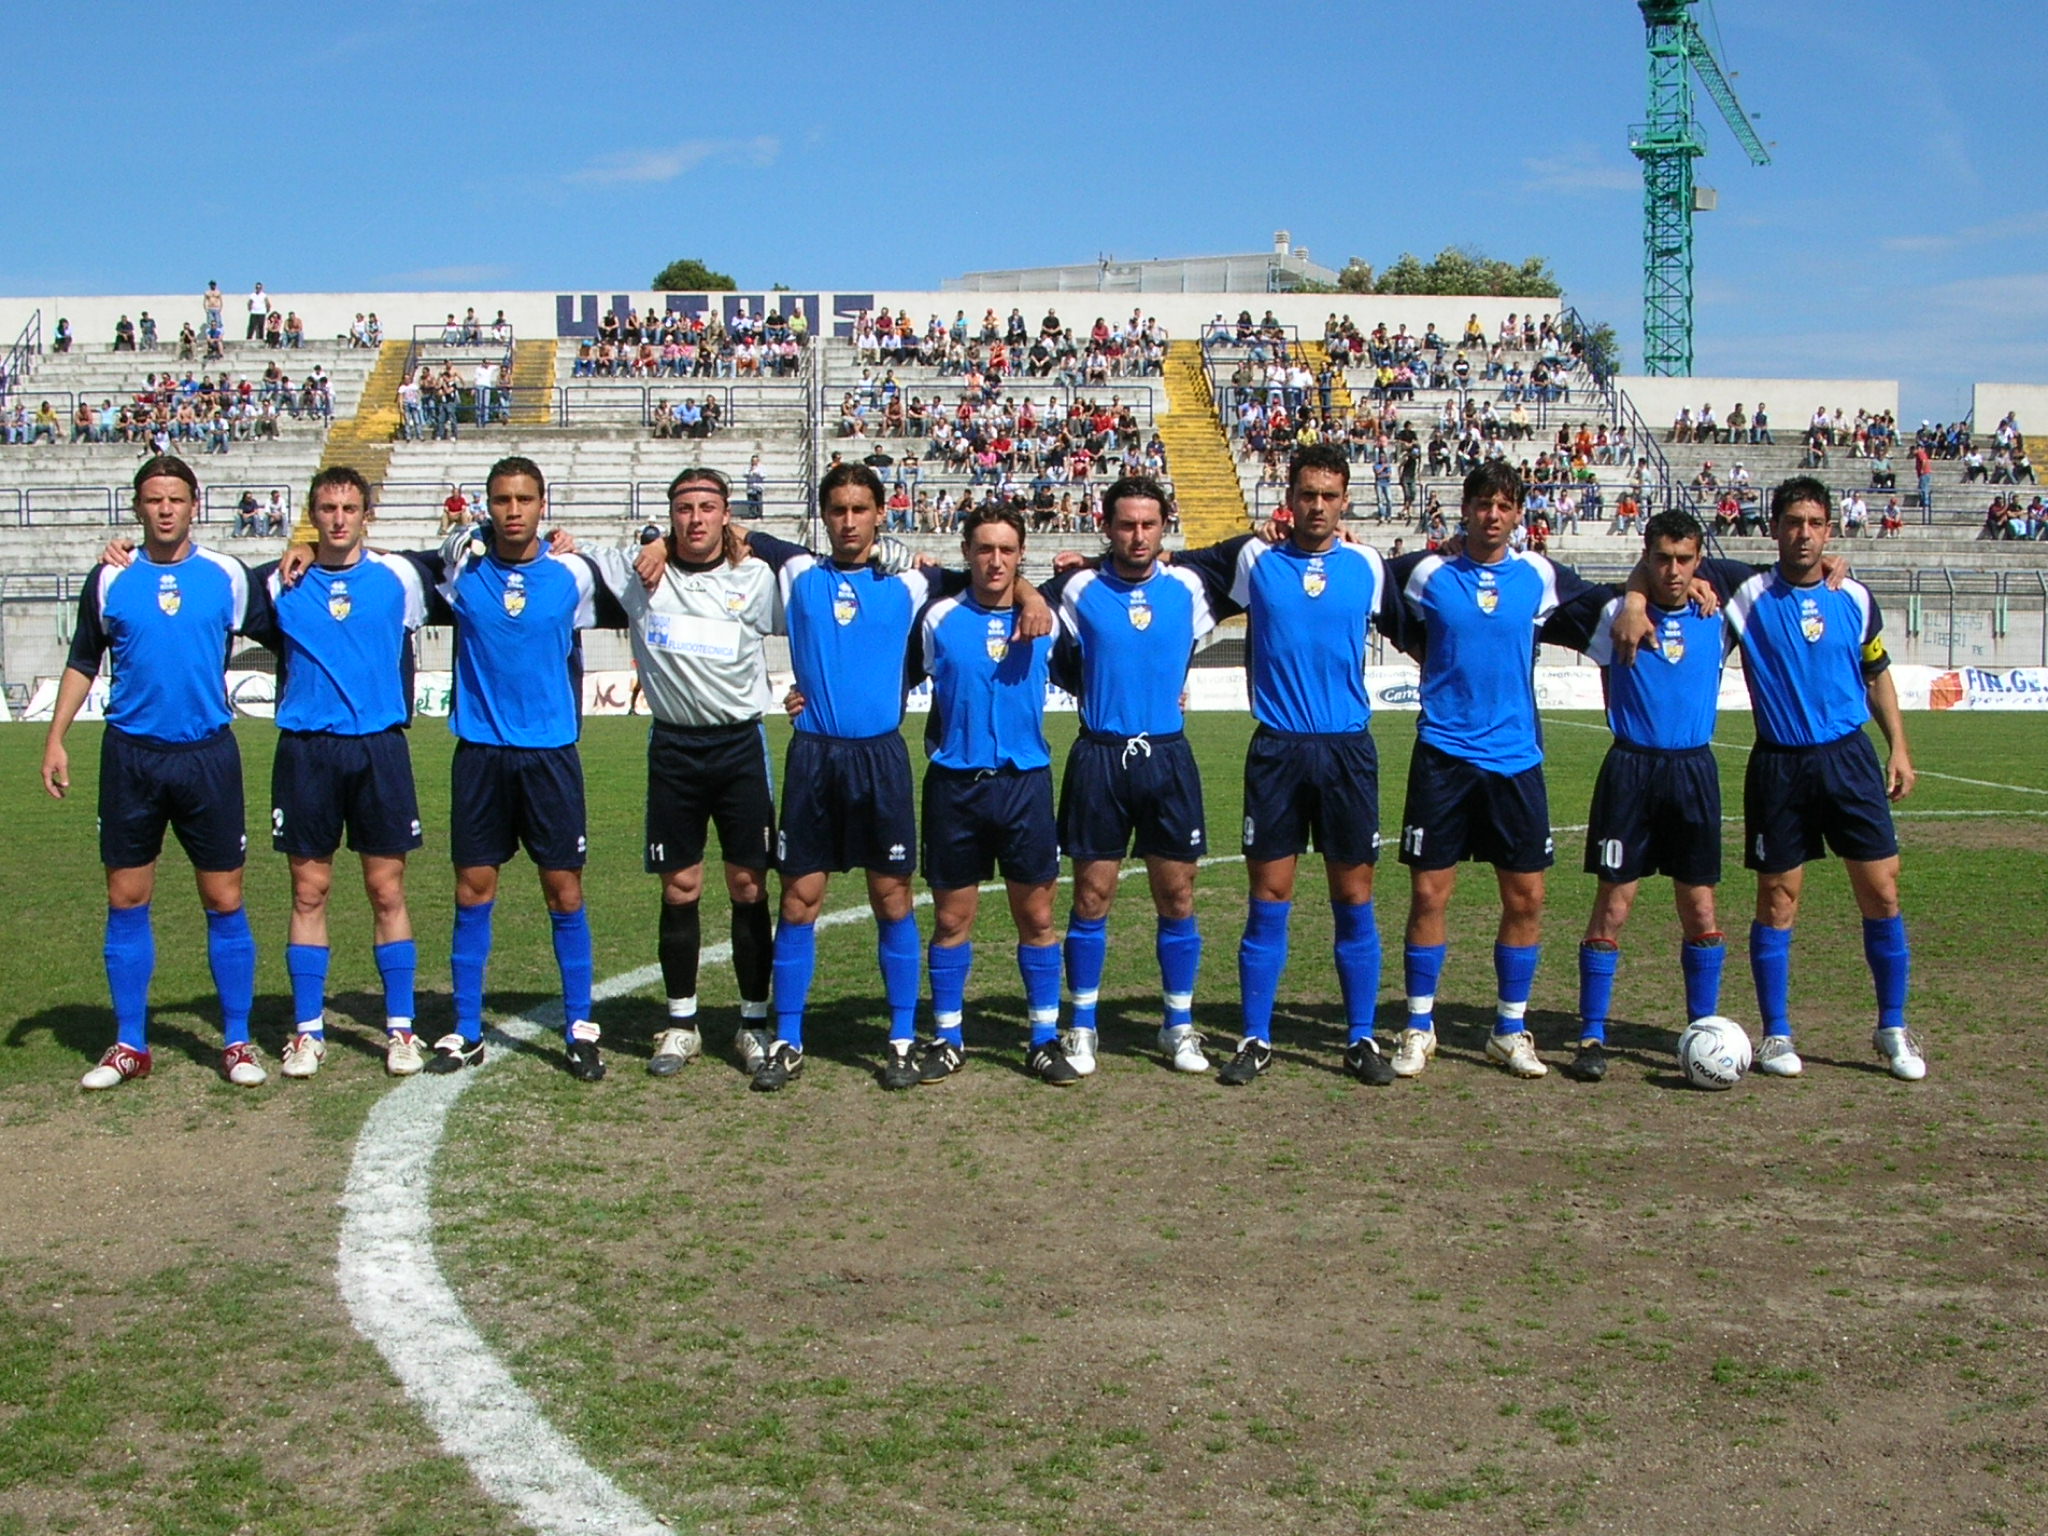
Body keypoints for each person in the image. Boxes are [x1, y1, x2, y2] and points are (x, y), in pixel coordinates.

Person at [741, 464, 1048, 1091]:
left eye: (861, 509)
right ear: (823, 516)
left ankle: (903, 1038)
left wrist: (1034, 594)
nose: (849, 522)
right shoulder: (796, 570)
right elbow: (723, 530)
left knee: (894, 898)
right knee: (799, 900)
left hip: (881, 760)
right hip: (814, 757)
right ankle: (789, 1038)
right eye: (838, 510)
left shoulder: (914, 583)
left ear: (882, 514)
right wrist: (658, 542)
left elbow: (993, 576)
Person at [1624, 476, 1924, 1080]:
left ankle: (1892, 1027)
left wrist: (1899, 747)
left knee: (1882, 892)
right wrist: (1634, 601)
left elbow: (1877, 674)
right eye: (1793, 523)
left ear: (1829, 529)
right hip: (1780, 764)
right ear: (1775, 529)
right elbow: (1660, 563)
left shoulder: (1857, 597)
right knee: (1777, 898)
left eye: (1815, 523)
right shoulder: (1745, 592)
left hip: (1849, 759)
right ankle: (1777, 1034)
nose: (1804, 534)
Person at [1175, 443, 1406, 1086]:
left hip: (1346, 752)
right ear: (1290, 497)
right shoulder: (1255, 560)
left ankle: (1360, 1038)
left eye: (1330, 496)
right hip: (1277, 748)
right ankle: (1255, 1037)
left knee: (1353, 897)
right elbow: (1175, 572)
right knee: (1268, 897)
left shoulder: (1368, 565)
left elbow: (1425, 620)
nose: (1318, 507)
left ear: (1345, 502)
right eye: (1307, 494)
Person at [40, 456, 262, 1089]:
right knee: (126, 897)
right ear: (138, 508)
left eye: (176, 499)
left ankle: (239, 1040)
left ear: (195, 505)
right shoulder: (110, 580)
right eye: (154, 500)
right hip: (131, 758)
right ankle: (130, 1042)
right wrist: (56, 739)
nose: (165, 509)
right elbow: (85, 659)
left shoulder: (226, 576)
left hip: (207, 756)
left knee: (224, 898)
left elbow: (285, 623)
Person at [1385, 460, 1597, 1080]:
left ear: (1518, 513)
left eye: (1504, 505)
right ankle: (1419, 1025)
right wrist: (1413, 645)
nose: (1492, 515)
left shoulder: (1538, 575)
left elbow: (1608, 603)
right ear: (1466, 509)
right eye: (1482, 504)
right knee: (1429, 892)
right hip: (1444, 756)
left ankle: (1509, 1028)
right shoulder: (1428, 572)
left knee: (1526, 896)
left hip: (1516, 759)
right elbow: (1367, 581)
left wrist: (1651, 590)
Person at [428, 456, 626, 1080]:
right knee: (472, 890)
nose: (513, 511)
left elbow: (645, 576)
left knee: (563, 890)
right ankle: (465, 1029)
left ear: (544, 505)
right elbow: (387, 563)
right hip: (480, 755)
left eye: (524, 499)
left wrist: (602, 544)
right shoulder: (463, 568)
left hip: (549, 757)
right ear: (487, 506)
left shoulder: (572, 574)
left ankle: (578, 1026)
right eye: (502, 500)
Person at [247, 469, 434, 1077]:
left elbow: (481, 551)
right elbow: (196, 579)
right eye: (327, 508)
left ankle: (401, 1029)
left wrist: (559, 539)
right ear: (312, 513)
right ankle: (307, 1031)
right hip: (307, 752)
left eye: (349, 507)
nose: (338, 518)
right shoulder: (280, 582)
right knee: (309, 891)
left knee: (387, 890)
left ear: (366, 513)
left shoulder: (400, 578)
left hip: (378, 749)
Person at [597, 468, 779, 1077]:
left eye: (707, 508)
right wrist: (650, 542)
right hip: (674, 750)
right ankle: (680, 1024)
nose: (695, 519)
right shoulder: (640, 574)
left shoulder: (754, 578)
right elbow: (567, 547)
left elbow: (810, 577)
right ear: (670, 516)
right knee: (680, 888)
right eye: (683, 509)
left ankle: (754, 1022)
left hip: (739, 748)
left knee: (749, 887)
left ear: (726, 515)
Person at [1041, 476, 1220, 1077]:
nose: (1137, 536)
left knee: (1178, 895)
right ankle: (1082, 1026)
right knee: (1092, 896)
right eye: (1125, 525)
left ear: (1163, 527)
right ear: (1107, 526)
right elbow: (1008, 594)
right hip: (1100, 756)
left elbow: (1258, 555)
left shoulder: (1191, 586)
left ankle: (1178, 1026)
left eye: (1148, 524)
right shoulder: (1078, 588)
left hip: (1168, 756)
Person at [1544, 512, 1731, 1080]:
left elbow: (1795, 571)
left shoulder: (1723, 615)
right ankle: (1592, 1035)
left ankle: (1703, 1029)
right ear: (1646, 557)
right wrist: (1630, 598)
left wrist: (1834, 565)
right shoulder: (1611, 616)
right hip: (1630, 768)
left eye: (1685, 559)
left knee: (1699, 907)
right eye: (1662, 559)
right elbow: (1548, 586)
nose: (1673, 571)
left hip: (1694, 771)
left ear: (1701, 562)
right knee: (1614, 906)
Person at [909, 504, 1065, 1086]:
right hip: (956, 788)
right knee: (952, 920)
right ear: (967, 553)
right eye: (983, 549)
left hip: (1025, 785)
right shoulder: (939, 618)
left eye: (1006, 550)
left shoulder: (1050, 617)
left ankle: (1043, 1037)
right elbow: (893, 674)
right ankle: (947, 1037)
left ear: (1021, 554)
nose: (995, 560)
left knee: (1039, 916)